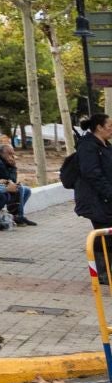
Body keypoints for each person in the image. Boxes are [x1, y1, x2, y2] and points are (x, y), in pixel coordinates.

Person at [75, 114, 112, 284]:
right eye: (109, 126)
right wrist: (109, 193)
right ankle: (102, 273)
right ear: (99, 127)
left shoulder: (106, 145)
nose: (111, 129)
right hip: (95, 199)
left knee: (107, 234)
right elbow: (92, 173)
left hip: (106, 199)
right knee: (102, 235)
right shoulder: (88, 146)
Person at [0, 142, 34, 226]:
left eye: (13, 154)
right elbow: (10, 179)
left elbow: (13, 180)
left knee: (27, 190)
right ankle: (19, 216)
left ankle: (15, 215)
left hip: (5, 186)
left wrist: (12, 166)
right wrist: (13, 166)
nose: (12, 156)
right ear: (2, 154)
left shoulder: (6, 163)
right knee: (20, 188)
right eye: (9, 153)